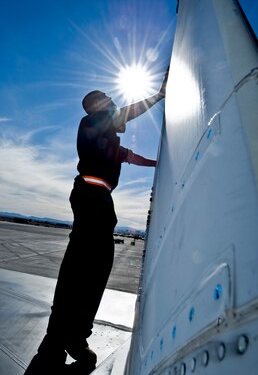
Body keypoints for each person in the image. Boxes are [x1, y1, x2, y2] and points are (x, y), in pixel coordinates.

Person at [24, 73, 168, 375]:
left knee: (94, 267)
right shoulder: (91, 122)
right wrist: (158, 95)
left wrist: (162, 163)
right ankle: (59, 341)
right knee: (83, 267)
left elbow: (133, 157)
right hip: (91, 196)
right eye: (108, 101)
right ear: (96, 106)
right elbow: (125, 112)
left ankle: (73, 337)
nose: (114, 104)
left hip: (98, 198)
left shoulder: (103, 141)